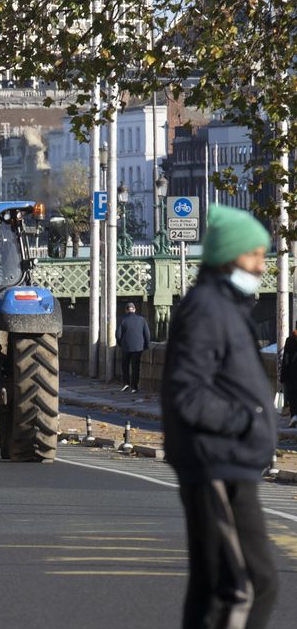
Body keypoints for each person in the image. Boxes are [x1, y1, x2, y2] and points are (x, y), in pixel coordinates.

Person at [161, 205, 278, 629]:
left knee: (214, 586)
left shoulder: (224, 307)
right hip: (218, 461)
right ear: (230, 255)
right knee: (248, 583)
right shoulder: (209, 309)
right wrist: (247, 419)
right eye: (255, 256)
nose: (262, 267)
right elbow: (187, 394)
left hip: (226, 460)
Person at [116, 302, 151, 393]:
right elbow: (147, 334)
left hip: (126, 347)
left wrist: (120, 344)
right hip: (138, 347)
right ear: (134, 310)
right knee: (136, 367)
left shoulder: (122, 320)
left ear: (126, 310)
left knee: (125, 366)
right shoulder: (142, 319)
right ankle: (134, 387)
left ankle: (126, 384)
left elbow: (118, 335)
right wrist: (147, 345)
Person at [279, 328, 297, 428]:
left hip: (292, 374)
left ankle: (294, 416)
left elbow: (286, 359)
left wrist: (283, 376)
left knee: (293, 396)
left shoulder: (290, 340)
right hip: (292, 374)